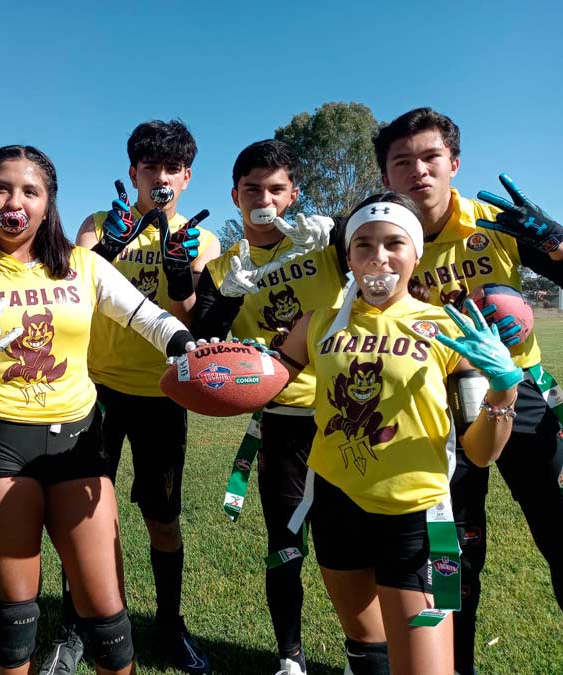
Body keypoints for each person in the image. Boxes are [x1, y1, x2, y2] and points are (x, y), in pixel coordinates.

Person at [0, 145, 196, 675]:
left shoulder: (83, 265)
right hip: (3, 444)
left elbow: (149, 318)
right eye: (1, 188)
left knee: (109, 622)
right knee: (14, 622)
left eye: (30, 190)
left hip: (78, 444)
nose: (14, 200)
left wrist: (185, 345)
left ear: (48, 202)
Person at [247, 191, 519, 675]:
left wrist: (502, 388)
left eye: (394, 243)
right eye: (364, 245)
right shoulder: (317, 323)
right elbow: (264, 385)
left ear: (416, 252)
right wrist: (228, 366)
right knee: (366, 646)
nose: (378, 257)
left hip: (416, 518)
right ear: (348, 256)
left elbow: (481, 454)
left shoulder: (446, 327)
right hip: (336, 504)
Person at [373, 107, 563, 675]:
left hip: (520, 393)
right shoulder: (384, 238)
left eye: (430, 157)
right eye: (402, 162)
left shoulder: (495, 223)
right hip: (434, 406)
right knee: (454, 553)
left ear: (453, 163)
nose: (418, 171)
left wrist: (555, 243)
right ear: (387, 176)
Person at [61, 119, 219, 675]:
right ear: (133, 173)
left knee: (163, 516)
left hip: (161, 393)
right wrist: (109, 244)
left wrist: (182, 275)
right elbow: (73, 289)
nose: (161, 177)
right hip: (95, 388)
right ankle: (77, 624)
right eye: (150, 167)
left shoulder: (203, 236)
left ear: (187, 177)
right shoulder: (97, 223)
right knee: (83, 516)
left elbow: (192, 321)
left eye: (171, 168)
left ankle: (170, 626)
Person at [192, 139, 341, 675]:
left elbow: (387, 247)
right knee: (285, 544)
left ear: (293, 194)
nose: (265, 199)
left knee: (352, 543)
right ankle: (290, 657)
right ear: (234, 195)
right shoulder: (222, 267)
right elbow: (201, 339)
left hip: (346, 416)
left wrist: (341, 232)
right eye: (252, 188)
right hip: (281, 421)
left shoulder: (323, 243)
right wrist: (230, 293)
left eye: (276, 188)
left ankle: (364, 651)